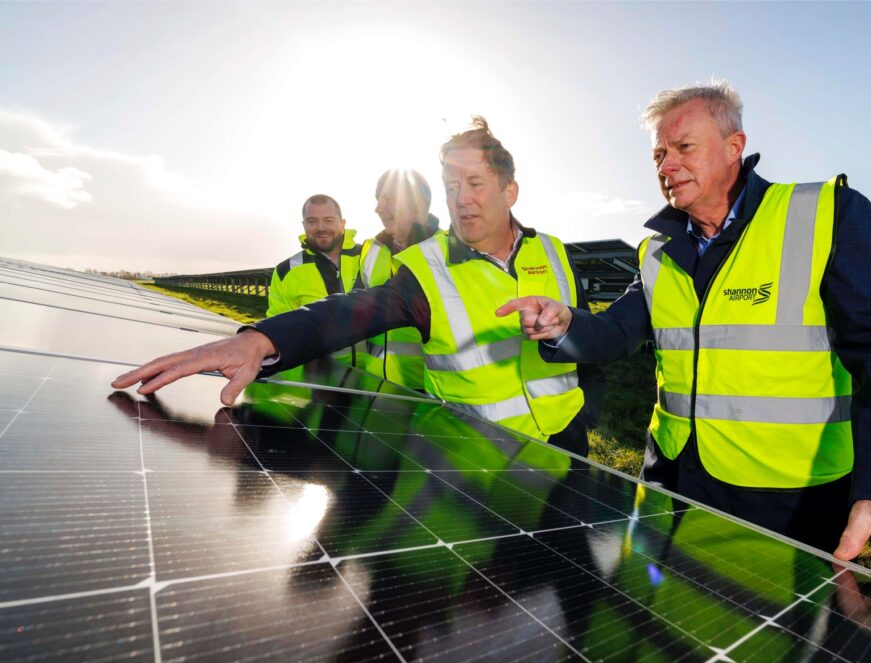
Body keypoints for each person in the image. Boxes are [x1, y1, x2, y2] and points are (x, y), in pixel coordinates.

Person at [497, 81, 871, 626]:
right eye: (659, 153)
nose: (667, 164)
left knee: (773, 642)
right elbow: (618, 332)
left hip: (787, 499)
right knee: (665, 629)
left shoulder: (826, 215)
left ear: (733, 146)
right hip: (671, 479)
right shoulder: (657, 250)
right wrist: (566, 327)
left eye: (684, 147)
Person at [112, 117, 602, 457]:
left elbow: (588, 338)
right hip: (474, 451)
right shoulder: (424, 267)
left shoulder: (555, 253)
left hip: (565, 442)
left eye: (474, 183)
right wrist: (260, 340)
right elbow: (347, 313)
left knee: (570, 588)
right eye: (451, 186)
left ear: (509, 190)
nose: (461, 200)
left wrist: (587, 415)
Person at [359, 169, 441, 390]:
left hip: (433, 395)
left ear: (417, 203)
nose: (378, 208)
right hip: (378, 390)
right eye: (378, 199)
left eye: (387, 199)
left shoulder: (448, 253)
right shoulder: (370, 250)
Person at [266, 193, 363, 364]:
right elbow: (278, 331)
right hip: (317, 380)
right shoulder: (286, 271)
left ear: (342, 224)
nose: (321, 228)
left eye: (328, 220)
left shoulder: (370, 258)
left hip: (379, 381)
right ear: (304, 225)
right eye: (312, 221)